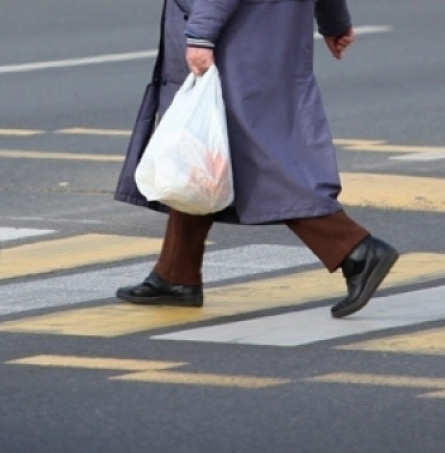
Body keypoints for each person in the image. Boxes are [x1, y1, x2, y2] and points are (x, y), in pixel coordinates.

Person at [114, 0, 398, 318]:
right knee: (202, 160)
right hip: (270, 39)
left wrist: (201, 35)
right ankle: (175, 274)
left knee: (260, 163)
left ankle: (355, 250)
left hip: (237, 40)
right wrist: (334, 20)